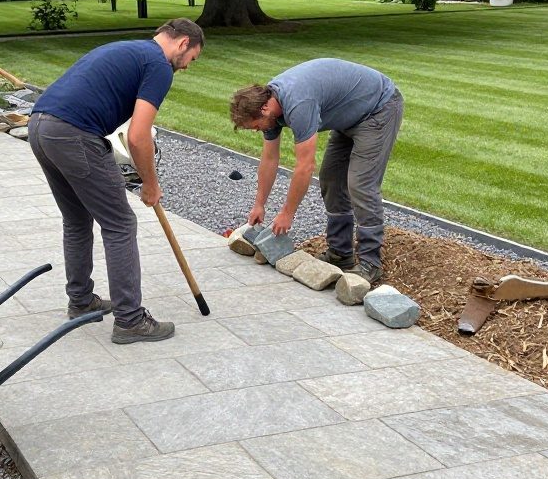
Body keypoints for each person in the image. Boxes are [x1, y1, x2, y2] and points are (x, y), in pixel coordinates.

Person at [28, 19, 203, 344]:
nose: (187, 67)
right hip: (71, 133)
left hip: (40, 127)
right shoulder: (159, 66)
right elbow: (138, 137)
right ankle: (130, 320)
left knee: (77, 220)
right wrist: (150, 184)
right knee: (120, 224)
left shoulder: (129, 49)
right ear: (182, 44)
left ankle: (81, 302)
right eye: (191, 58)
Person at [229, 58, 404, 283]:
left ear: (264, 109)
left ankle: (371, 263)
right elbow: (270, 158)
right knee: (331, 179)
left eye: (255, 126)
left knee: (360, 184)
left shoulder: (297, 104)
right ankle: (340, 253)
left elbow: (304, 167)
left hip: (378, 108)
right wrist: (259, 203)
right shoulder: (270, 108)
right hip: (348, 116)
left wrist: (287, 214)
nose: (256, 131)